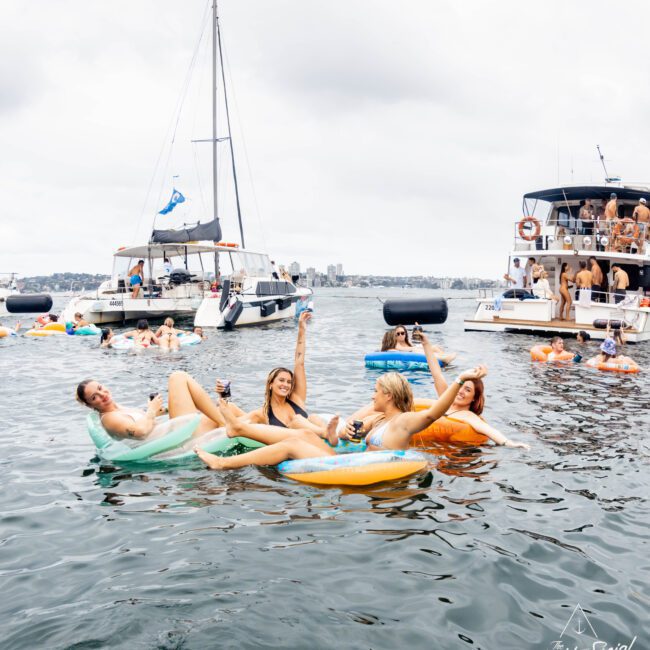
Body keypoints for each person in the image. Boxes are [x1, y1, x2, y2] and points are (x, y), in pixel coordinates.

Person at [194, 366, 491, 470]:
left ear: (388, 395)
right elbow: (345, 441)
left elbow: (433, 412)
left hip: (362, 468)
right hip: (350, 458)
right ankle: (237, 427)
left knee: (293, 445)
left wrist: (460, 379)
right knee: (306, 434)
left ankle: (223, 463)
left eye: (376, 391)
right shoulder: (378, 420)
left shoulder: (403, 422)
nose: (372, 396)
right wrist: (338, 432)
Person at [417, 333, 529, 448]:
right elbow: (436, 373)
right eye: (461, 386)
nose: (461, 391)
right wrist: (426, 344)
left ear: (474, 397)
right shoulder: (445, 399)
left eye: (468, 390)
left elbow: (489, 430)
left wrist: (510, 443)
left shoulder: (468, 416)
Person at [240, 311, 337, 443]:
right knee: (296, 421)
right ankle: (326, 433)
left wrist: (302, 329)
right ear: (270, 384)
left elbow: (299, 362)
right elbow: (238, 425)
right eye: (281, 380)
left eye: (289, 382)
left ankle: (331, 434)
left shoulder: (296, 399)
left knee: (313, 417)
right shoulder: (262, 414)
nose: (285, 384)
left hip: (314, 441)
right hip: (291, 447)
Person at [76, 371, 247, 440]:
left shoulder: (119, 408)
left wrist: (158, 411)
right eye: (94, 397)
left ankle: (260, 427)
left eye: (100, 388)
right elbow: (141, 432)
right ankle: (231, 426)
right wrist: (150, 410)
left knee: (229, 408)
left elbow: (148, 421)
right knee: (177, 377)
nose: (102, 395)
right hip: (176, 439)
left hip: (174, 430)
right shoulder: (109, 419)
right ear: (90, 405)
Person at [383, 324, 456, 365]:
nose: (401, 335)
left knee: (435, 347)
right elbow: (405, 350)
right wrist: (416, 348)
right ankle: (443, 359)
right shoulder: (396, 344)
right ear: (395, 336)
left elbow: (412, 346)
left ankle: (444, 359)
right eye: (398, 334)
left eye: (402, 333)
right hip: (412, 355)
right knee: (418, 350)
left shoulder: (408, 342)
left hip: (413, 350)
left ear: (405, 333)